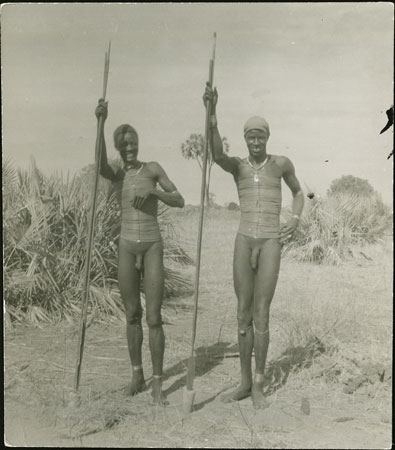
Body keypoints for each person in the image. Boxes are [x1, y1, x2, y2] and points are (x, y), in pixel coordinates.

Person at [203, 84, 304, 409]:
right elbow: (217, 155)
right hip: (244, 242)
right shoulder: (239, 167)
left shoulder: (281, 164)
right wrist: (212, 113)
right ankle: (244, 383)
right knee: (242, 312)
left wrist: (296, 218)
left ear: (268, 138)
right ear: (245, 139)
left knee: (262, 312)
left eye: (261, 136)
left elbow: (299, 193)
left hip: (270, 242)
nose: (256, 141)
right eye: (251, 137)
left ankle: (259, 383)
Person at [95, 99, 185, 405]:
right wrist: (100, 123)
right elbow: (100, 163)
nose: (129, 149)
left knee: (154, 317)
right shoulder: (118, 174)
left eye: (132, 143)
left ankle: (159, 382)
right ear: (119, 149)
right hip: (126, 246)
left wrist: (155, 192)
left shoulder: (153, 169)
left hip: (151, 246)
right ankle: (137, 375)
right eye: (123, 145)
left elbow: (180, 199)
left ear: (138, 144)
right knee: (131, 314)